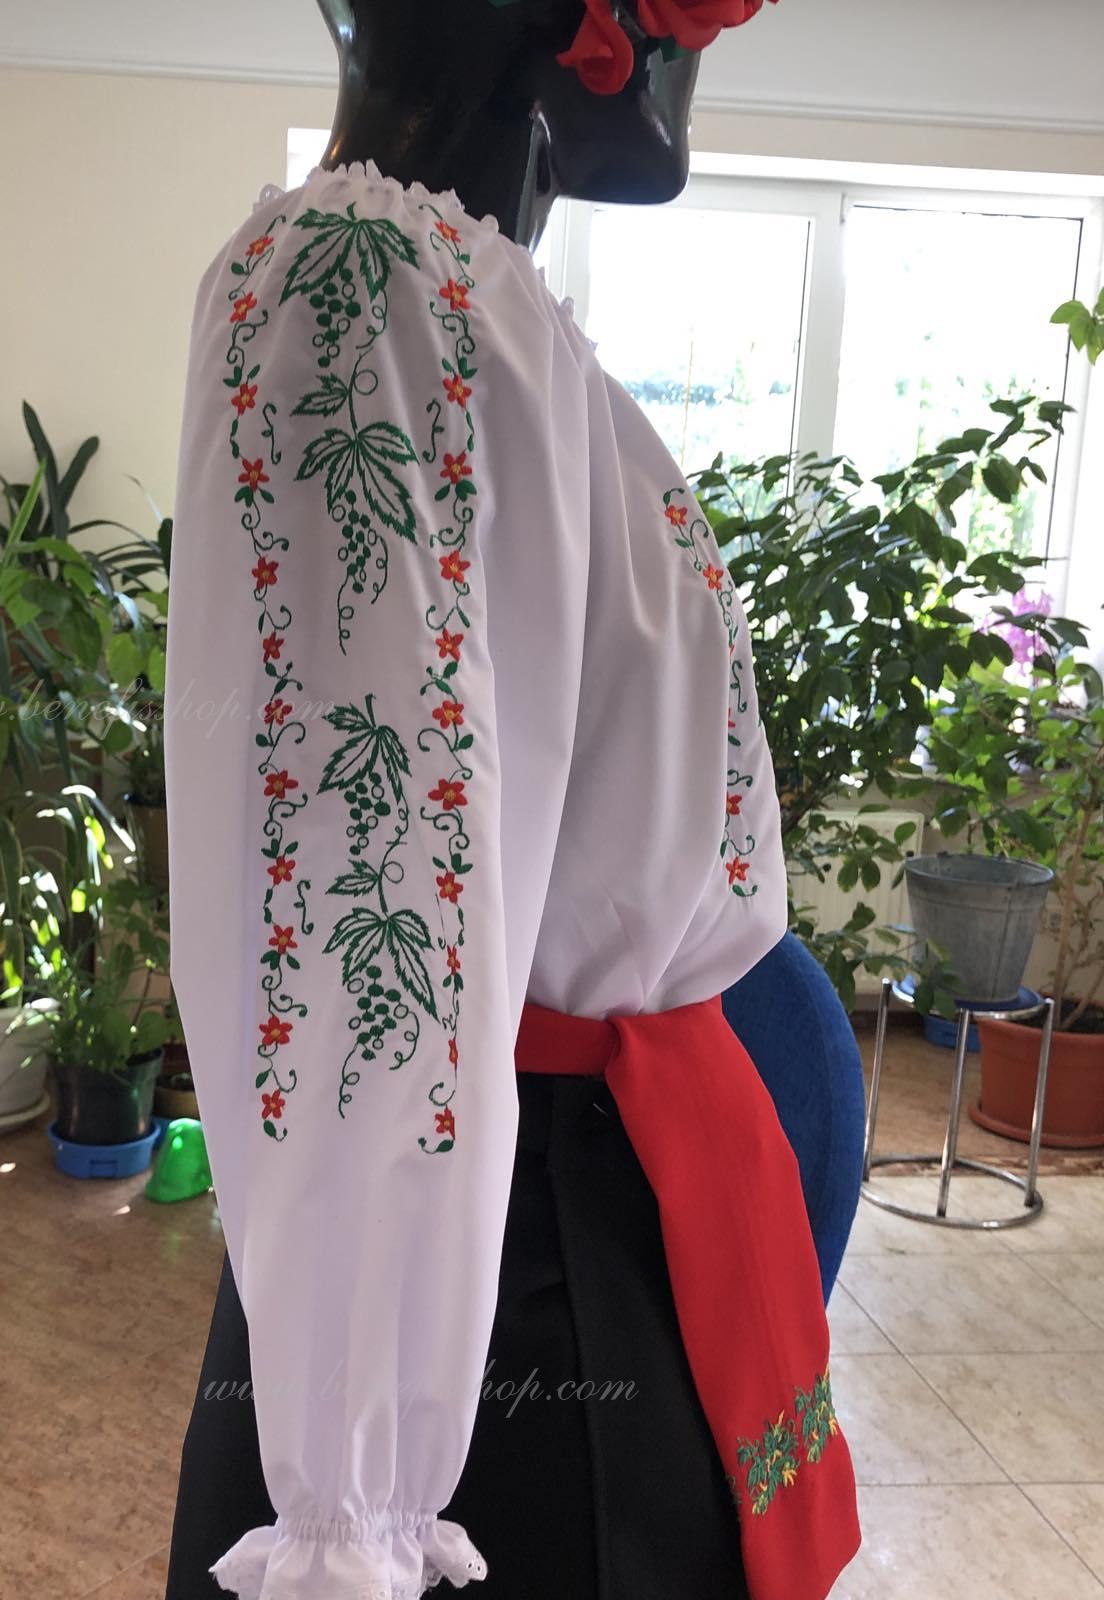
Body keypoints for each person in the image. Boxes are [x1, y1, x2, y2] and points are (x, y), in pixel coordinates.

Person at [163, 2, 860, 1595]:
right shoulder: (366, 283)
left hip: (607, 1201)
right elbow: (367, 945)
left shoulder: (474, 302)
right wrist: (358, 1508)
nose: (702, 44)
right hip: (507, 1285)